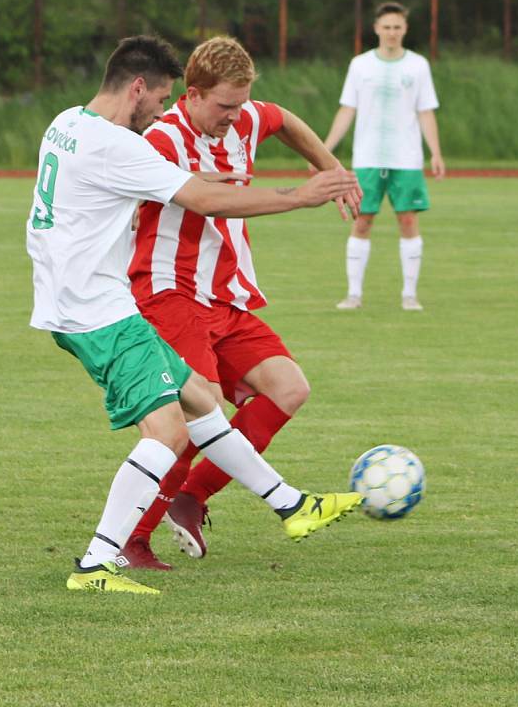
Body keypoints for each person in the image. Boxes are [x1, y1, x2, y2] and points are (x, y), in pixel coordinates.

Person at [26, 34, 363, 595]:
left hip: (75, 299)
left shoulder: (68, 123)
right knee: (167, 432)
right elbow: (202, 202)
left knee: (201, 402)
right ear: (137, 87)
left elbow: (148, 186)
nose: (162, 109)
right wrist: (300, 196)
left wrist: (199, 181)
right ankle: (96, 564)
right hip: (97, 311)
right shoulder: (121, 145)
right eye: (159, 98)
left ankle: (293, 505)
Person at [122, 36, 352, 570]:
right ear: (194, 94)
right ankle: (132, 540)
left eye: (241, 104)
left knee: (288, 387)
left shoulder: (245, 117)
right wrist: (298, 197)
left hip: (222, 297)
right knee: (191, 416)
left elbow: (283, 119)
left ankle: (192, 496)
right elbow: (206, 198)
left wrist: (331, 169)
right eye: (224, 106)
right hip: (168, 292)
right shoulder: (161, 139)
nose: (234, 116)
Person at [322, 1, 445, 312]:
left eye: (397, 27)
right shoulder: (360, 65)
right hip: (368, 158)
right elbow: (347, 109)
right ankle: (353, 294)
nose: (392, 33)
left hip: (406, 158)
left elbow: (425, 112)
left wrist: (436, 153)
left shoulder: (417, 65)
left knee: (408, 220)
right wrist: (324, 149)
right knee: (362, 221)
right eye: (386, 27)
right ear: (376, 29)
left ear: (405, 30)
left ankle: (409, 294)